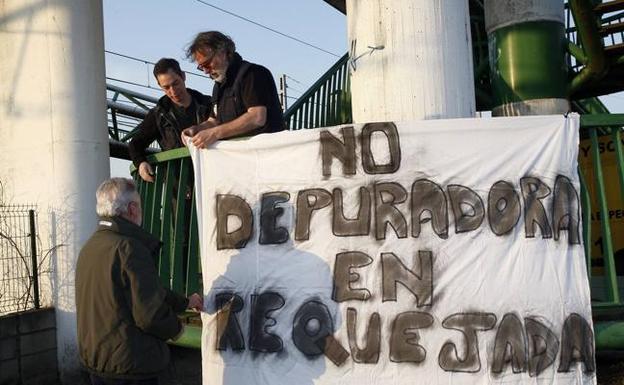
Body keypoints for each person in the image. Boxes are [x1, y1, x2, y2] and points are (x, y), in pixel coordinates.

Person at [75, 178, 203, 385]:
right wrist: (177, 329)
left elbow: (142, 290)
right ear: (133, 208)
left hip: (97, 361)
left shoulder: (91, 246)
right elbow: (149, 314)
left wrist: (185, 302)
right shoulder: (129, 248)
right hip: (132, 365)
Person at [182, 31, 286, 148]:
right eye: (201, 67)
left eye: (207, 64)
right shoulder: (219, 85)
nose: (206, 71)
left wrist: (215, 133)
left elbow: (257, 117)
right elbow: (214, 120)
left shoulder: (253, 74)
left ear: (222, 52)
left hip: (267, 152)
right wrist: (196, 130)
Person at [129, 58, 212, 182]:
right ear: (159, 86)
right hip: (181, 189)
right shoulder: (158, 114)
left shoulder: (209, 104)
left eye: (175, 83)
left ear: (183, 76)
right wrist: (141, 163)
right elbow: (135, 144)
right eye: (166, 87)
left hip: (211, 179)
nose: (173, 91)